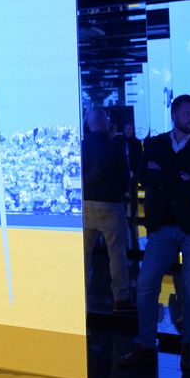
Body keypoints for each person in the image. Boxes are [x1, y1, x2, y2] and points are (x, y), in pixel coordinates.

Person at [121, 95, 190, 371]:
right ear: (174, 115)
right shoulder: (155, 144)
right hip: (162, 225)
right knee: (145, 285)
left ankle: (189, 345)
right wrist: (181, 177)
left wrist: (163, 178)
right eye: (188, 114)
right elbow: (144, 177)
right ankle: (145, 342)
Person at [83, 109, 134, 312]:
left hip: (85, 205)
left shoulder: (80, 147)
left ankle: (80, 297)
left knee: (84, 254)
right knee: (117, 254)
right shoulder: (115, 148)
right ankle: (120, 299)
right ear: (104, 123)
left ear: (88, 125)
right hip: (111, 204)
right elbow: (125, 178)